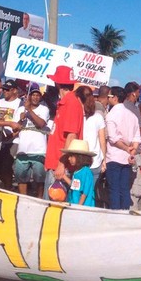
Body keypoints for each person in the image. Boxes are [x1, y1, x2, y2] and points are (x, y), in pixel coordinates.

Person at [43, 66, 84, 200]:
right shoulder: (65, 102)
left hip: (60, 166)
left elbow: (72, 136)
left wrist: (61, 164)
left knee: (53, 210)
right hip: (56, 164)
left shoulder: (71, 103)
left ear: (58, 83)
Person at [105, 86, 141, 210]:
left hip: (114, 156)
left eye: (109, 96)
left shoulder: (111, 115)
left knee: (114, 189)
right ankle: (125, 214)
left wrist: (127, 149)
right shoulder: (132, 116)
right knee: (124, 189)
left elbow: (112, 138)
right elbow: (137, 138)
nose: (108, 99)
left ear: (115, 98)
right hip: (127, 158)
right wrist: (132, 151)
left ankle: (116, 216)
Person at [13, 84, 50, 198]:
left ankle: (39, 200)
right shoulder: (20, 109)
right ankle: (23, 199)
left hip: (39, 151)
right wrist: (21, 119)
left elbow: (41, 124)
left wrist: (29, 111)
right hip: (23, 150)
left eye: (37, 95)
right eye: (33, 95)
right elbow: (15, 128)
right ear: (29, 97)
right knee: (21, 178)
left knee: (40, 179)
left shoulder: (44, 109)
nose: (35, 97)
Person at [76, 86, 106, 185]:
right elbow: (102, 141)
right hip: (95, 160)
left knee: (77, 193)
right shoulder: (98, 117)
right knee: (90, 193)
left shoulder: (76, 116)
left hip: (78, 161)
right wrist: (104, 160)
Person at [0, 79, 23, 190]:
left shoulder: (20, 104)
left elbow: (18, 125)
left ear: (14, 91)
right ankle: (7, 185)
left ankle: (7, 188)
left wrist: (9, 136)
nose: (5, 91)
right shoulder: (0, 101)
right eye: (4, 89)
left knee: (6, 166)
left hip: (13, 140)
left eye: (7, 89)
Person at [61, 139, 96, 207]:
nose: (69, 159)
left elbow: (85, 192)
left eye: (71, 156)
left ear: (80, 157)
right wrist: (63, 176)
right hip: (74, 204)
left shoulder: (86, 172)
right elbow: (75, 186)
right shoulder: (76, 171)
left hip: (84, 207)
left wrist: (79, 206)